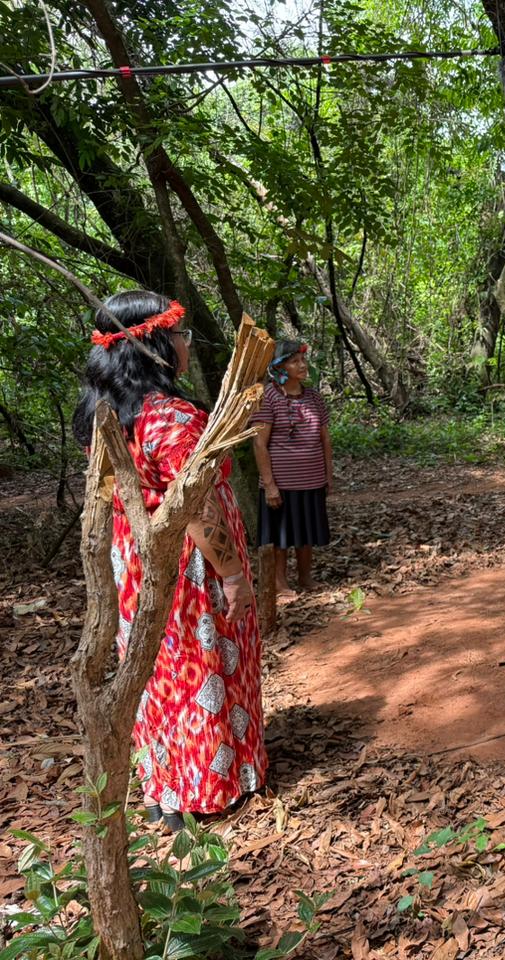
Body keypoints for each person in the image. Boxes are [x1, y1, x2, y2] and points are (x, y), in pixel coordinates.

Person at [72, 290, 266, 828]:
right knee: (203, 665)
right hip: (190, 564)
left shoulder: (105, 414)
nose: (186, 344)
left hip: (134, 561)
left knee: (158, 673)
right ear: (153, 345)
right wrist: (232, 575)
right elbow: (197, 504)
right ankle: (209, 787)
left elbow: (111, 491)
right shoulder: (171, 417)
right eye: (180, 335)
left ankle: (167, 786)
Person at [251, 340, 332, 593]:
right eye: (295, 361)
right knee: (281, 536)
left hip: (311, 480)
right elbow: (259, 443)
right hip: (281, 483)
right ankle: (280, 583)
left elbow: (325, 439)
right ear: (279, 367)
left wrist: (328, 476)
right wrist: (269, 485)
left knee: (306, 532)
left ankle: (306, 578)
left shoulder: (314, 397)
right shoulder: (268, 397)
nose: (303, 365)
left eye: (303, 360)